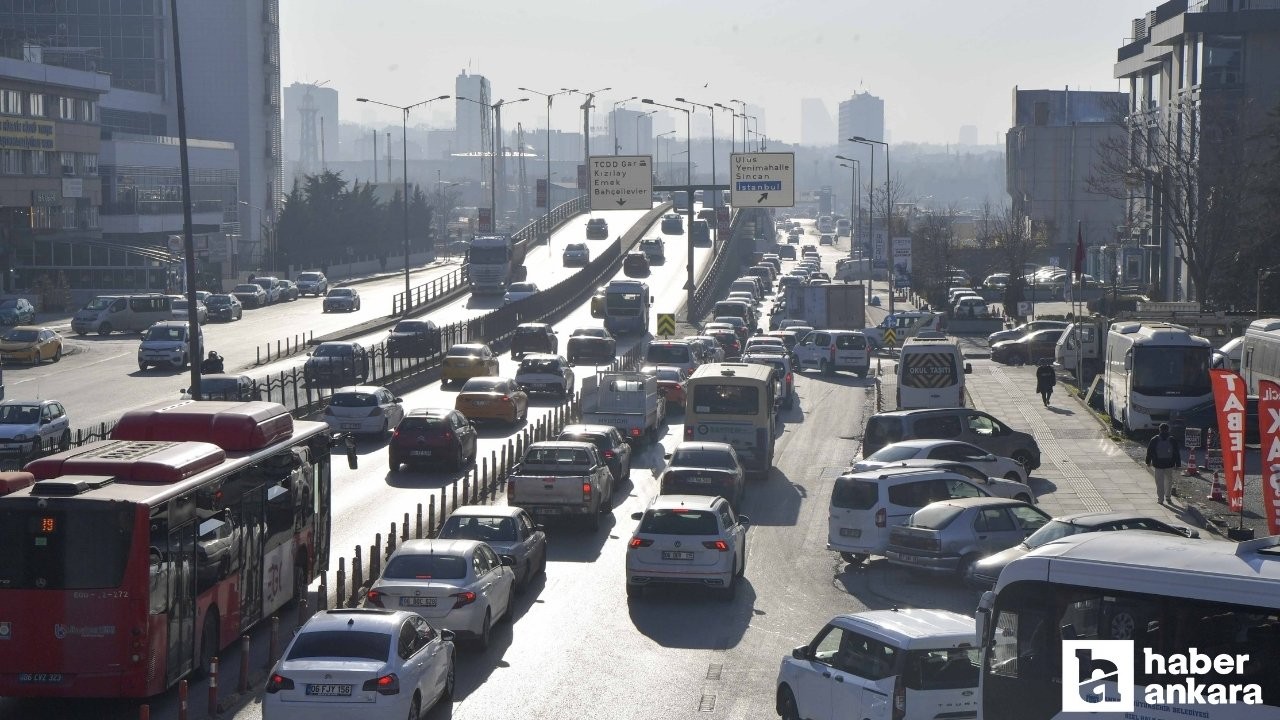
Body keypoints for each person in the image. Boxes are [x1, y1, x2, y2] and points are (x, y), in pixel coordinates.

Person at [1145, 423, 1181, 504]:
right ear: (1168, 430)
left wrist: (1148, 462)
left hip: (1158, 464)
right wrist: (1178, 464)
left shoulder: (1154, 439)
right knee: (1168, 481)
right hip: (1169, 464)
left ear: (1159, 429)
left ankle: (1160, 499)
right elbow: (1176, 452)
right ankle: (1168, 497)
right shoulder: (1172, 439)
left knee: (1159, 482)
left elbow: (1149, 451)